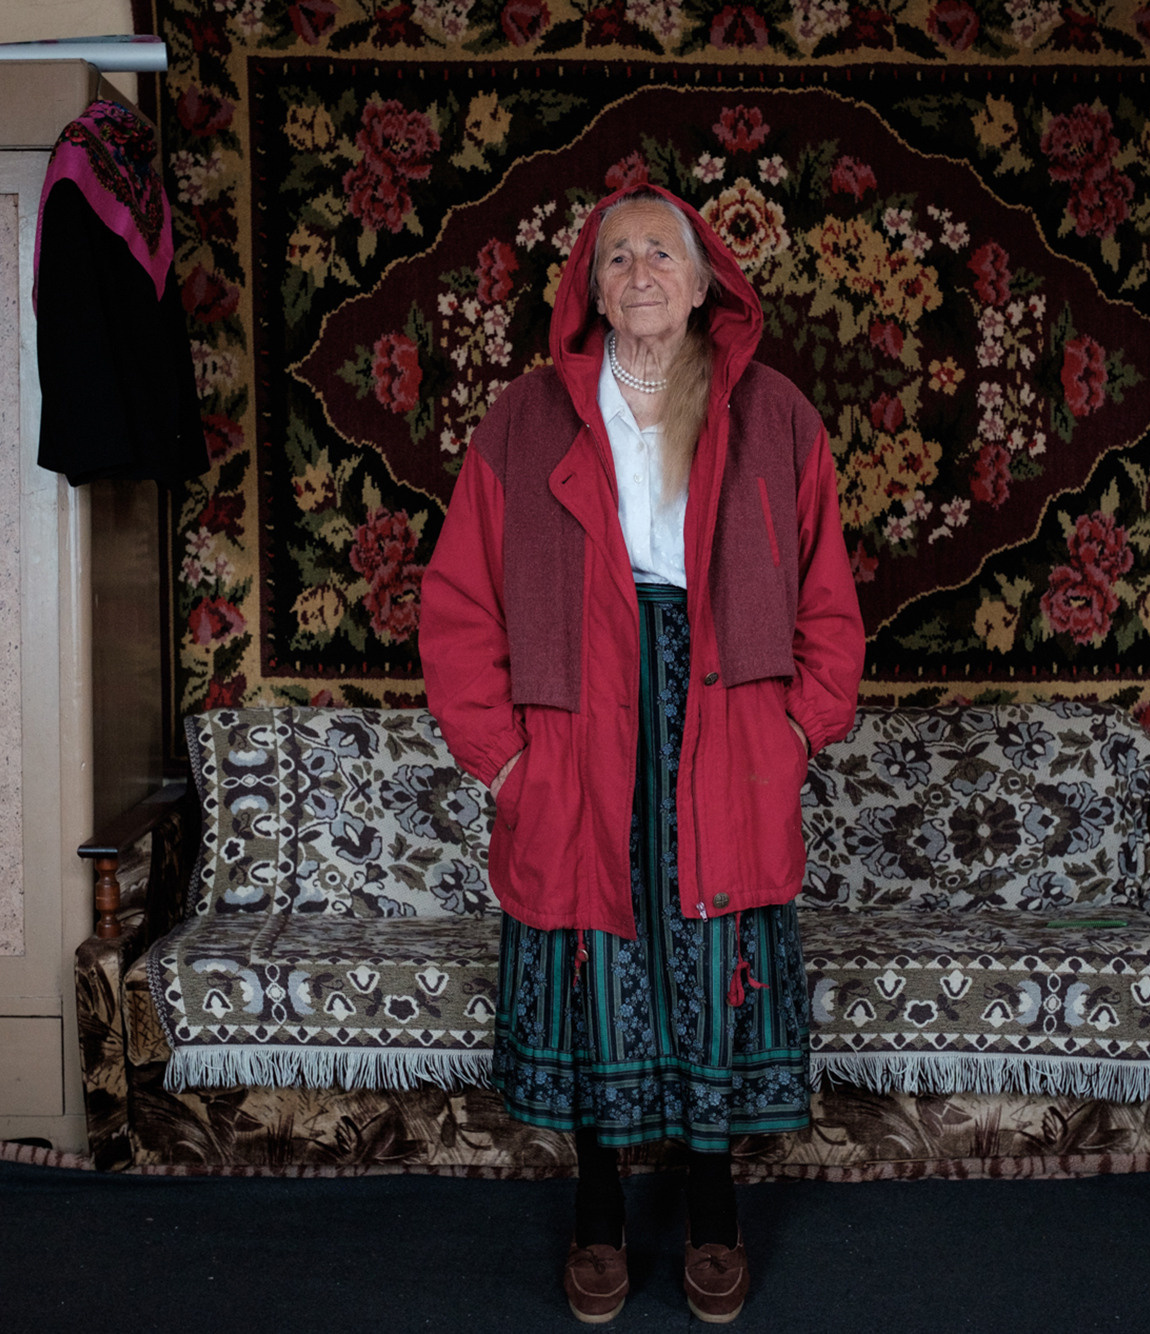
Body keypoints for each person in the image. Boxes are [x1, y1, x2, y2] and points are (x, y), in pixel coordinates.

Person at [419, 182, 864, 1325]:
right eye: (615, 256)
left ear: (704, 277)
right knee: (593, 960)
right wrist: (505, 759)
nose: (639, 273)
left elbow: (825, 594)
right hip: (578, 716)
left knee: (711, 956)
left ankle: (713, 1205)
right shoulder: (525, 419)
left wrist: (796, 725)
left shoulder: (775, 414)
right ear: (590, 288)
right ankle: (598, 1205)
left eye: (659, 252)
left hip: (726, 709)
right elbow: (460, 597)